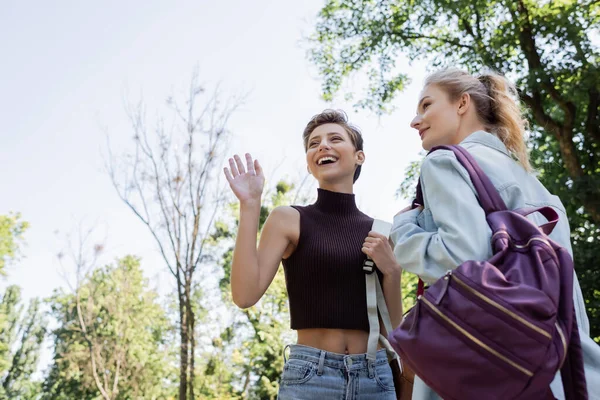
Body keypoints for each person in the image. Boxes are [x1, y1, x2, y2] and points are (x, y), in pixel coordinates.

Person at [390, 68, 600, 399]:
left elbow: (460, 258)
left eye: (426, 105)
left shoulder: (444, 162)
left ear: (462, 103)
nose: (415, 121)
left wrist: (402, 229)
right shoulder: (539, 188)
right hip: (566, 373)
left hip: (489, 371)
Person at [224, 110, 402, 399]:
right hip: (311, 377)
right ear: (309, 164)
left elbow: (394, 332)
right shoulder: (288, 219)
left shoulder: (381, 231)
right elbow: (244, 296)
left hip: (375, 379)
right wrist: (250, 205)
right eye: (313, 143)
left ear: (359, 156)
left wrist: (393, 271)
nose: (323, 146)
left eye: (335, 138)